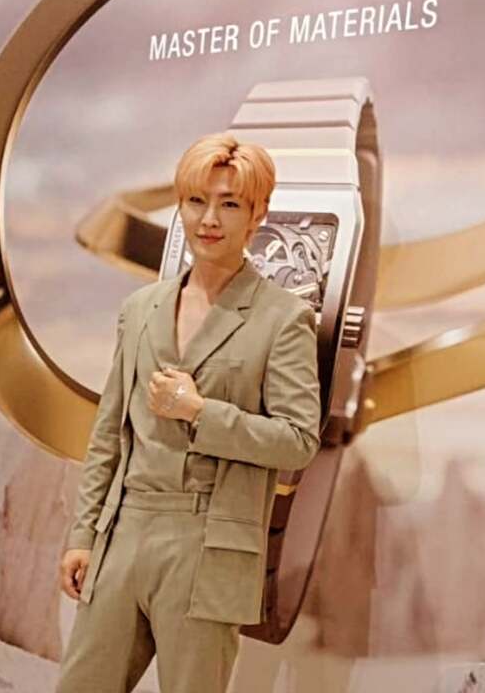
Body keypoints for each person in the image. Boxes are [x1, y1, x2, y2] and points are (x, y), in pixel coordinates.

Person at [55, 133, 322, 693]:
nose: (210, 219)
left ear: (258, 215)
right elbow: (109, 432)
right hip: (124, 531)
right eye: (197, 201)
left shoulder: (282, 318)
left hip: (209, 545)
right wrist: (83, 534)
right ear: (180, 206)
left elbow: (298, 441)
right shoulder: (139, 309)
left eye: (230, 204)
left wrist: (201, 413)